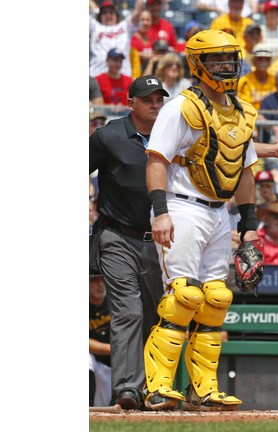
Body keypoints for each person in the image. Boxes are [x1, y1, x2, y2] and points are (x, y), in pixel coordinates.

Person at [142, 29, 278, 411]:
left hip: (220, 211)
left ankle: (204, 390)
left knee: (215, 300)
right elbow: (157, 160)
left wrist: (249, 228)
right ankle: (158, 387)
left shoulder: (242, 110)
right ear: (199, 65)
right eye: (217, 60)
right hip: (182, 206)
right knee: (183, 296)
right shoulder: (180, 106)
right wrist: (160, 212)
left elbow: (245, 172)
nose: (226, 66)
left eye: (229, 59)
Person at [89, 76, 168, 410]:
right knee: (128, 312)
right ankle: (127, 390)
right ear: (130, 103)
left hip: (159, 242)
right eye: (147, 99)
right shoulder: (107, 136)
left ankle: (155, 389)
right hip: (117, 235)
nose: (154, 104)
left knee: (157, 316)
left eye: (158, 99)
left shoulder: (172, 135)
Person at [89, 0, 143, 78]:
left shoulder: (125, 26)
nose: (108, 15)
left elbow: (137, 13)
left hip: (122, 77)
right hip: (97, 76)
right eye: (104, 12)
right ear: (100, 15)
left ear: (116, 14)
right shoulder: (94, 26)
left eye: (111, 11)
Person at [89, 275, 112, 407]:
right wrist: (113, 349)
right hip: (95, 365)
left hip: (114, 368)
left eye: (102, 279)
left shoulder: (114, 303)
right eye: (94, 280)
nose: (100, 284)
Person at [237, 44, 277, 111]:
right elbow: (245, 104)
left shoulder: (276, 80)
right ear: (254, 61)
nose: (264, 61)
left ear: (270, 62)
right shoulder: (245, 81)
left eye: (267, 59)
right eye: (260, 59)